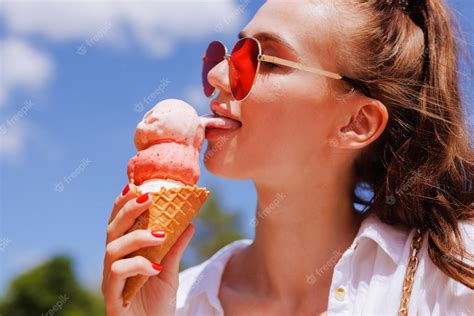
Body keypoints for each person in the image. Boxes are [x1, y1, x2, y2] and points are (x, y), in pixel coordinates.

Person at [102, 0, 474, 315]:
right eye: (226, 55)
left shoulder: (456, 278)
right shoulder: (177, 300)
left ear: (356, 123)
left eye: (263, 60)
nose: (217, 75)